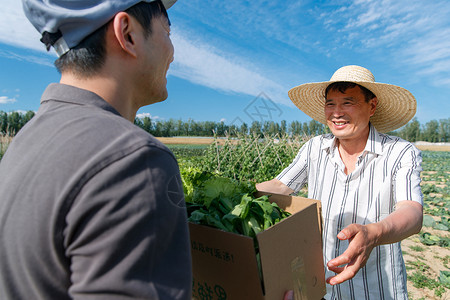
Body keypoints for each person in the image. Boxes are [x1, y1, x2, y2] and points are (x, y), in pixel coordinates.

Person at [0, 1, 192, 299]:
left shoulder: (24, 143)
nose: (173, 51)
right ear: (127, 33)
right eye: (167, 31)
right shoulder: (135, 160)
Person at [257, 65, 423, 300]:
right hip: (320, 286)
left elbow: (412, 212)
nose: (337, 112)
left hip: (376, 290)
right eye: (330, 104)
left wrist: (374, 233)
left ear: (372, 106)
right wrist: (235, 195)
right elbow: (281, 186)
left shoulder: (400, 152)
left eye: (348, 102)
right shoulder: (315, 148)